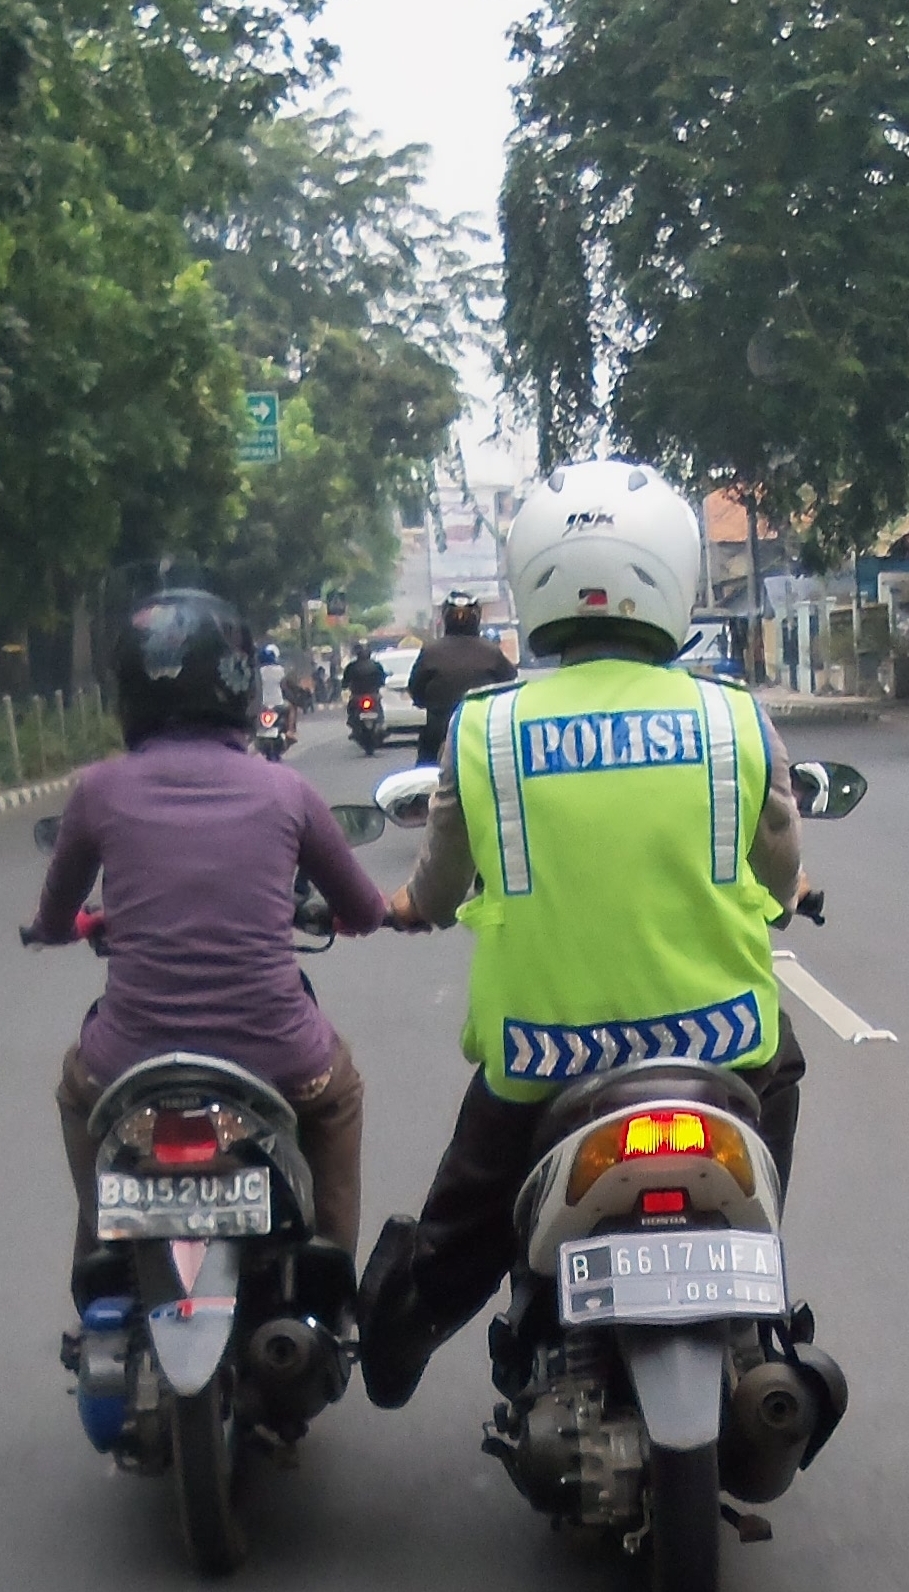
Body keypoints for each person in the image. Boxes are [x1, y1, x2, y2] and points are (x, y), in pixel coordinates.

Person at [357, 459, 810, 1411]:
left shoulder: (487, 730)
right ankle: (750, 1252)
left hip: (541, 1059)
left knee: (462, 1228)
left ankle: (401, 1336)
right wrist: (793, 887)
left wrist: (408, 909)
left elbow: (439, 884)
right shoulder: (731, 718)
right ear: (673, 574)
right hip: (724, 1046)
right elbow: (775, 865)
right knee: (786, 1072)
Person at [27, 588, 388, 1305]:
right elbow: (365, 908)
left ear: (126, 691)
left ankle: (103, 1240)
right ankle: (327, 1282)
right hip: (279, 1057)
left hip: (127, 1061)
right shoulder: (287, 789)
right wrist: (349, 916)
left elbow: (53, 913)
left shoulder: (98, 791)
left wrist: (64, 928)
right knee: (338, 1096)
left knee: (76, 1092)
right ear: (239, 685)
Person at [408, 591, 515, 764]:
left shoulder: (431, 651)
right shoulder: (491, 652)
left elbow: (415, 687)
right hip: (482, 729)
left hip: (447, 727)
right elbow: (510, 684)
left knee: (425, 773)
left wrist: (425, 701)